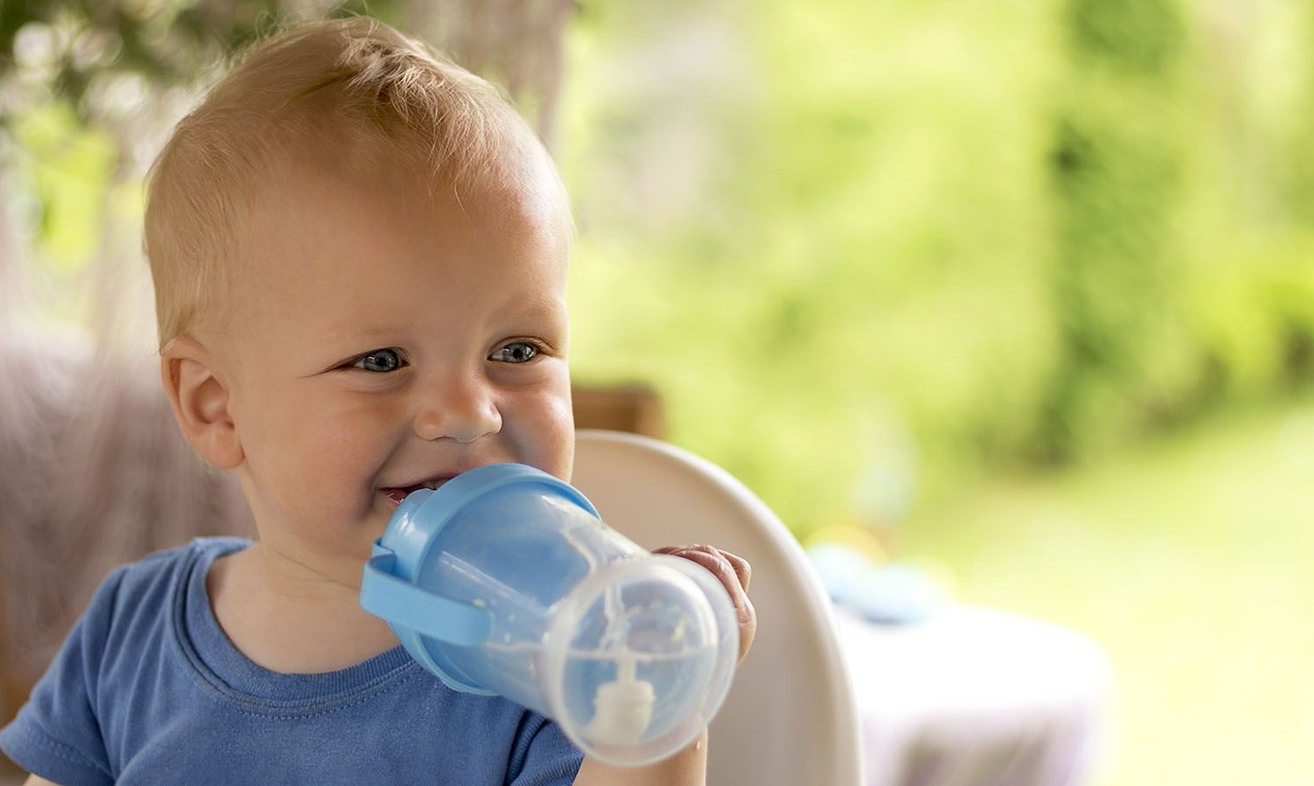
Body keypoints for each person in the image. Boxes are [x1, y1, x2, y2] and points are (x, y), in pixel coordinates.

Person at [0, 16, 755, 786]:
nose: (469, 412)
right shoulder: (132, 631)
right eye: (382, 361)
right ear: (217, 409)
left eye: (517, 352)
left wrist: (657, 699)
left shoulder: (554, 665)